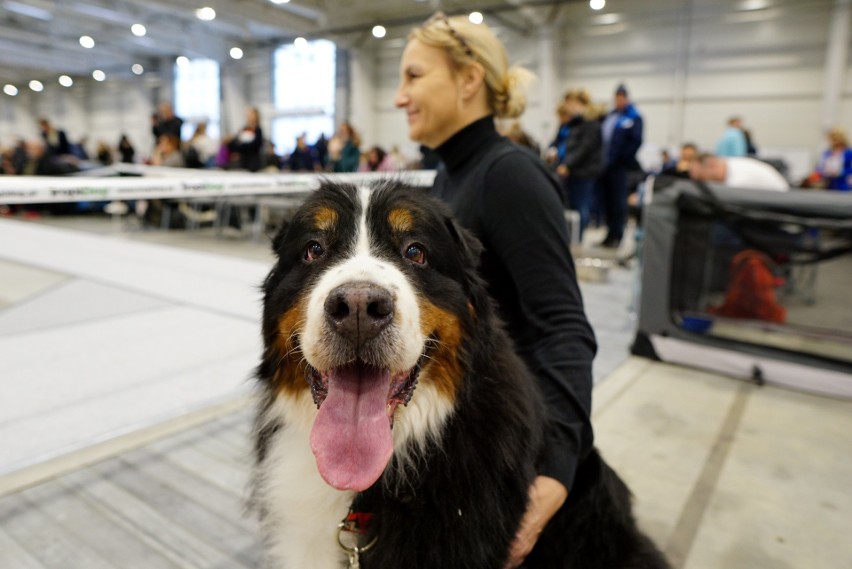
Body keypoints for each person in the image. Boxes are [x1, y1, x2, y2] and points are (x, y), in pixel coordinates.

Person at [394, 12, 596, 568]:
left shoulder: (510, 175)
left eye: (413, 76)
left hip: (520, 454)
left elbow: (563, 326)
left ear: (468, 80)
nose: (398, 96)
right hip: (472, 442)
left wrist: (556, 469)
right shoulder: (448, 177)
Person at [598, 84, 643, 248]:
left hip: (619, 167)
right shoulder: (610, 116)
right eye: (616, 98)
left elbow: (636, 141)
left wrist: (621, 160)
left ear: (626, 98)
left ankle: (618, 235)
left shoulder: (633, 117)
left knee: (618, 202)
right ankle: (609, 234)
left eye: (621, 98)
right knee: (607, 201)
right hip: (605, 166)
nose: (618, 101)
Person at [555, 89, 603, 240]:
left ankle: (578, 240)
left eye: (570, 103)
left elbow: (584, 148)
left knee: (581, 207)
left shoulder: (591, 123)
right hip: (572, 171)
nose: (568, 107)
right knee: (572, 207)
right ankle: (572, 238)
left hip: (583, 172)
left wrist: (568, 164)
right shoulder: (573, 123)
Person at [690, 153, 789, 191]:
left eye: (701, 177)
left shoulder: (737, 182)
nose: (703, 182)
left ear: (712, 165)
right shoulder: (732, 163)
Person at [227, 107, 264, 172]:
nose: (249, 117)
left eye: (251, 115)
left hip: (254, 162)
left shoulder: (258, 130)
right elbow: (234, 145)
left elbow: (256, 145)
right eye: (248, 115)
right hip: (243, 161)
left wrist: (242, 146)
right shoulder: (243, 130)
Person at [815, 127, 852, 191]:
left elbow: (850, 170)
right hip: (829, 185)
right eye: (832, 138)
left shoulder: (848, 153)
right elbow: (819, 168)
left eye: (835, 137)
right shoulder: (827, 153)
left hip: (844, 186)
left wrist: (840, 172)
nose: (834, 140)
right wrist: (823, 172)